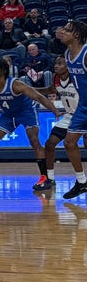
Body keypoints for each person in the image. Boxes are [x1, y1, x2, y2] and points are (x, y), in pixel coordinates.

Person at [0, 58, 60, 188]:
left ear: (4, 70)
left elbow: (38, 96)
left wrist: (55, 111)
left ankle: (45, 178)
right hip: (8, 115)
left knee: (34, 141)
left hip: (26, 112)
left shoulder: (16, 84)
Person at [36, 56, 79, 191]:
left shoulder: (77, 77)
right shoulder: (56, 78)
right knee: (50, 144)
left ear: (68, 66)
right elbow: (51, 90)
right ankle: (50, 178)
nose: (56, 65)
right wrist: (31, 89)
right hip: (69, 117)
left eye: (60, 63)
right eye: (55, 63)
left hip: (83, 115)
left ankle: (81, 180)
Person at [57, 20, 87, 199]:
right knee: (69, 143)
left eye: (66, 30)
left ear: (76, 35)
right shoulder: (67, 54)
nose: (62, 32)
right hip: (83, 105)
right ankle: (82, 182)